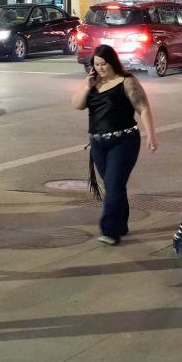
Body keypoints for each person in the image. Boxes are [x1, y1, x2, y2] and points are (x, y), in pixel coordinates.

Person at [69, 45, 159, 245]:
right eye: (97, 64)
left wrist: (151, 135)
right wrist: (87, 84)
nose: (100, 68)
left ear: (112, 62)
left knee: (114, 185)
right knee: (113, 185)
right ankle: (122, 224)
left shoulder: (126, 82)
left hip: (124, 141)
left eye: (104, 64)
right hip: (98, 144)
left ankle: (110, 230)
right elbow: (77, 104)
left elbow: (143, 108)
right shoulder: (93, 84)